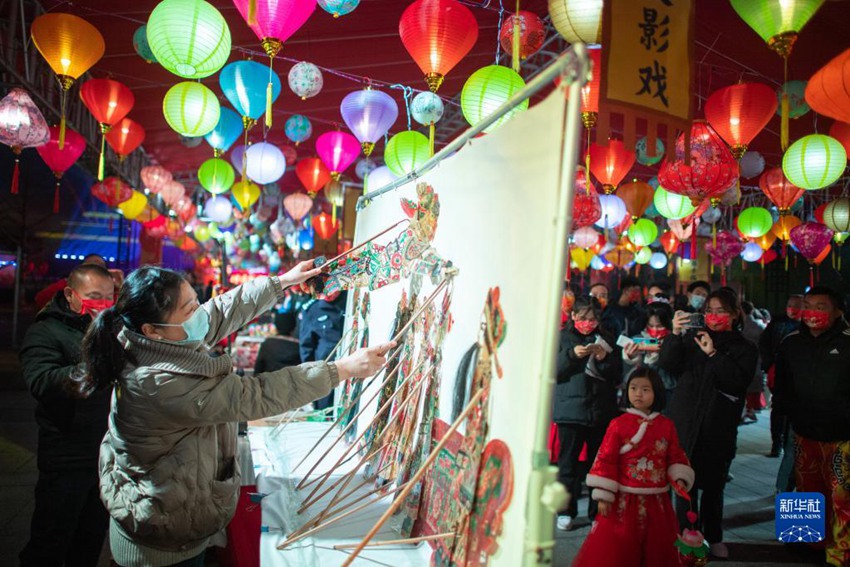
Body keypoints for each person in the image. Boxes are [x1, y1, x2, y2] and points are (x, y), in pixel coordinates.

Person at [78, 262, 392, 567]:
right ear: (153, 329)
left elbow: (219, 312)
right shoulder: (158, 383)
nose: (200, 313)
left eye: (196, 302)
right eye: (189, 310)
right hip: (161, 537)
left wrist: (281, 282)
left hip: (167, 510)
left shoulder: (155, 341)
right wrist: (341, 369)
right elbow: (255, 395)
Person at [18, 264, 116, 567]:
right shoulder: (45, 330)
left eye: (109, 298)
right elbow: (40, 380)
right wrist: (91, 366)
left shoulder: (111, 327)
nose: (102, 304)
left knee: (88, 542)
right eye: (94, 296)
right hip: (65, 456)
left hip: (104, 456)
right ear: (71, 295)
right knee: (50, 542)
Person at [659, 289, 758, 559]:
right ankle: (687, 536)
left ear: (735, 314)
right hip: (686, 418)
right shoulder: (692, 339)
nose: (713, 317)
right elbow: (668, 364)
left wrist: (714, 355)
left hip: (718, 422)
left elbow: (738, 381)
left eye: (721, 311)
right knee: (684, 483)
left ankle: (714, 536)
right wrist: (675, 335)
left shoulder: (744, 347)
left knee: (713, 484)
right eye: (709, 311)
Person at [572, 367, 694, 567]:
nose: (638, 393)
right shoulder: (618, 424)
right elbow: (606, 458)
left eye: (646, 389)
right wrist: (603, 494)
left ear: (656, 393)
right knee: (621, 545)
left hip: (657, 500)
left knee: (657, 544)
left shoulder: (666, 425)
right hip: (624, 499)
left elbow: (675, 454)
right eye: (634, 388)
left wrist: (679, 476)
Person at [774, 286, 850, 567]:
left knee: (842, 496)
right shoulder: (791, 341)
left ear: (838, 311)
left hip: (843, 436)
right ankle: (804, 541)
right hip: (803, 431)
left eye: (821, 306)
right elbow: (781, 387)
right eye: (809, 305)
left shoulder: (847, 341)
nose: (813, 312)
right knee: (805, 489)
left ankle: (840, 553)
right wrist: (785, 417)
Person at [554, 296, 622, 531]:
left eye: (592, 319)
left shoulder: (606, 339)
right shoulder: (562, 338)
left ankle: (596, 514)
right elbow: (553, 370)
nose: (587, 323)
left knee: (598, 465)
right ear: (573, 316)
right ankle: (565, 511)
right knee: (567, 465)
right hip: (570, 410)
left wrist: (604, 359)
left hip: (600, 410)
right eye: (582, 318)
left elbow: (617, 376)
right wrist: (573, 355)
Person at [759, 294, 802, 460]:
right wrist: (769, 363)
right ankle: (776, 442)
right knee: (778, 410)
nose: (793, 308)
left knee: (794, 412)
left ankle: (789, 444)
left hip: (799, 375)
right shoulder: (777, 323)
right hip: (778, 371)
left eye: (797, 305)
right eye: (790, 305)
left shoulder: (807, 325)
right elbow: (764, 343)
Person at [622, 302, 677, 409]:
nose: (655, 330)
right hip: (641, 397)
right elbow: (626, 376)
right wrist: (631, 358)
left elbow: (674, 378)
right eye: (651, 326)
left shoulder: (674, 341)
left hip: (667, 396)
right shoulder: (636, 340)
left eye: (660, 326)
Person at [299, 290, 347, 410]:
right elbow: (306, 346)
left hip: (352, 361)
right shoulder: (311, 309)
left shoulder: (351, 299)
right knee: (326, 409)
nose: (329, 294)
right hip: (327, 367)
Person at [34, 253, 108, 311]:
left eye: (101, 266)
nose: (97, 269)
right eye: (92, 265)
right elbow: (40, 299)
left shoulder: (109, 291)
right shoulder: (66, 285)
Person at [741, 301, 767, 424]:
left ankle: (746, 411)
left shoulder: (740, 326)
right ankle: (750, 410)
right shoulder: (760, 326)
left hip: (744, 362)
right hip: (757, 362)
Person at [253, 309, 300, 375]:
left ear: (276, 326)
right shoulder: (299, 347)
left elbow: (258, 369)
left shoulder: (268, 344)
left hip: (270, 383)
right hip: (291, 383)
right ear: (293, 326)